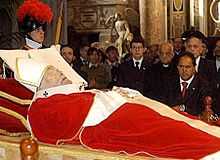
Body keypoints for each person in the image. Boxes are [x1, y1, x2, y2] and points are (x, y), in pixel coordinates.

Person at [1, 48, 220, 159]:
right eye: (52, 74)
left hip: (118, 107)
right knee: (165, 129)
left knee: (171, 117)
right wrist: (105, 99)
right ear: (43, 86)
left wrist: (114, 95)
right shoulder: (43, 105)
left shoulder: (65, 94)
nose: (59, 73)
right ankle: (212, 149)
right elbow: (56, 125)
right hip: (111, 119)